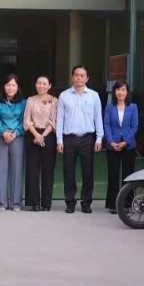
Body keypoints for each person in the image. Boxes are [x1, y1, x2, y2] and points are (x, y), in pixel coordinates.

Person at [58, 66, 101, 214]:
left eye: (82, 75)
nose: (79, 78)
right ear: (72, 77)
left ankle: (86, 203)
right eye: (76, 75)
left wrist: (99, 138)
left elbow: (98, 117)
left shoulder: (94, 96)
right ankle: (70, 202)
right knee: (68, 172)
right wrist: (59, 140)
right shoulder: (64, 96)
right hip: (69, 138)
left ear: (87, 78)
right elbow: (60, 119)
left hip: (87, 138)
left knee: (88, 172)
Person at [23, 75, 59, 212]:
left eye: (44, 83)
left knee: (48, 170)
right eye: (39, 83)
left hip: (48, 136)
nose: (41, 86)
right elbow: (26, 120)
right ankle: (34, 202)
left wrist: (42, 136)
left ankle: (46, 203)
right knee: (32, 170)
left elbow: (54, 120)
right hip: (32, 135)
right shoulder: (30, 100)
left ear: (49, 85)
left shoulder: (54, 101)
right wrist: (36, 135)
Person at [102, 80, 139, 210]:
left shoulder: (133, 107)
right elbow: (106, 125)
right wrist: (111, 141)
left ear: (127, 92)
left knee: (128, 175)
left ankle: (127, 204)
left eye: (123, 89)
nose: (120, 92)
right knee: (113, 175)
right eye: (118, 89)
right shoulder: (109, 107)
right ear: (114, 92)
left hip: (128, 146)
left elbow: (134, 127)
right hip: (112, 145)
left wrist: (125, 142)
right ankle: (112, 204)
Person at [0, 78, 26, 211]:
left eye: (13, 85)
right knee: (1, 169)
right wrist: (3, 132)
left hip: (17, 137)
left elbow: (24, 120)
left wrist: (15, 133)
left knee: (17, 170)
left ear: (17, 87)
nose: (10, 88)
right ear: (4, 87)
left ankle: (16, 203)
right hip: (1, 138)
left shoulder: (23, 103)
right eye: (8, 85)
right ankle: (2, 203)